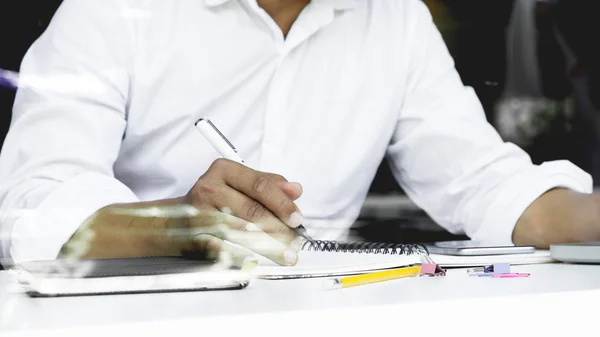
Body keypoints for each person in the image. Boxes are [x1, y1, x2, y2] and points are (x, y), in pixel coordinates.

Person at [0, 0, 597, 267]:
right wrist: (178, 225)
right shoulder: (109, 11)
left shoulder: (396, 18)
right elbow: (28, 212)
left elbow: (490, 187)